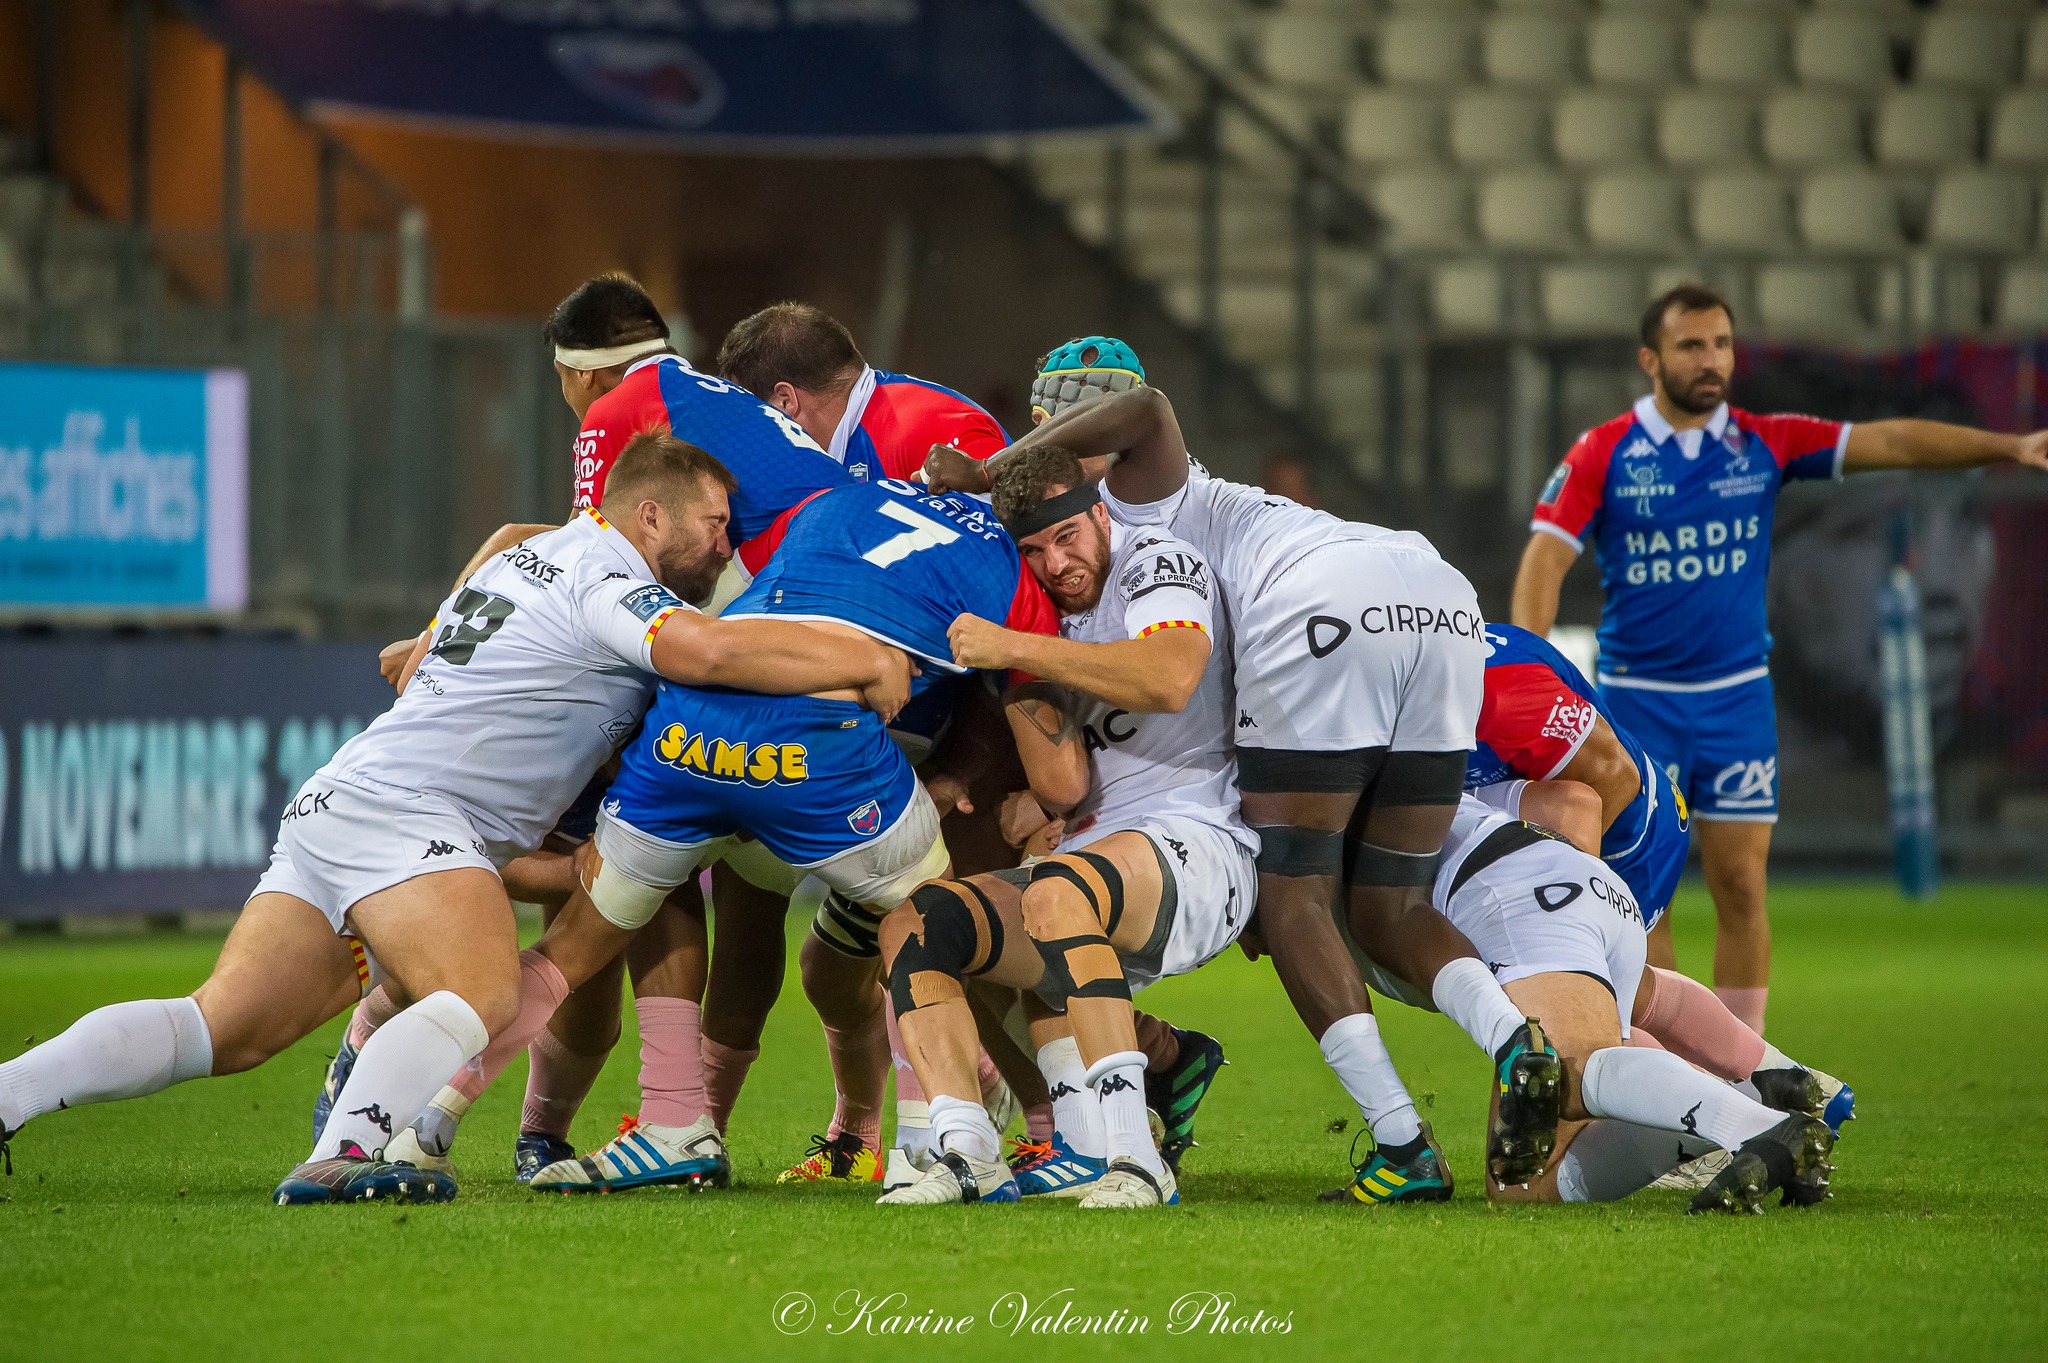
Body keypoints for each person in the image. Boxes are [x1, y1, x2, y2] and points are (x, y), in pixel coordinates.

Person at [0, 435, 909, 1204]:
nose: (726, 547)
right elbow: (704, 652)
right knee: (479, 992)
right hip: (412, 813)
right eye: (715, 526)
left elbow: (516, 534)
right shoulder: (608, 577)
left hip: (342, 799)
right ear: (651, 519)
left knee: (220, 1027)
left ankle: (10, 1092)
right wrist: (861, 658)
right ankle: (352, 1152)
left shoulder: (534, 553)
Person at [930, 352, 1565, 1198]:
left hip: (1318, 602)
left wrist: (984, 472)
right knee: (1385, 907)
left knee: (1288, 893)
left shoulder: (1138, 496)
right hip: (1435, 593)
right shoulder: (1107, 522)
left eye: (1059, 425)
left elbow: (1147, 410)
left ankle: (1404, 1143)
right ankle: (1516, 1037)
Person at [1511, 283, 2048, 1034]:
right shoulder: (1602, 453)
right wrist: (1538, 679)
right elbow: (1544, 563)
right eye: (1692, 345)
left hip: (1735, 703)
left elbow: (1889, 443)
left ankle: (1740, 1065)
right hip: (1638, 707)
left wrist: (2009, 446)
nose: (1711, 360)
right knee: (1643, 896)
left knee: (1741, 886)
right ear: (1650, 359)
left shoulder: (1764, 441)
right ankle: (1663, 1065)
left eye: (1722, 344)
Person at [876, 449, 1256, 1209]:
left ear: (1101, 514)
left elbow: (1169, 674)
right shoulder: (1037, 605)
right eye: (1034, 551)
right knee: (918, 923)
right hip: (1090, 856)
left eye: (1068, 537)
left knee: (1056, 894)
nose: (1056, 562)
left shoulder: (1157, 561)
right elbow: (1064, 776)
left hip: (1200, 842)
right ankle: (970, 1150)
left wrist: (1013, 645)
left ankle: (1135, 1157)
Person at [1357, 795, 1837, 1214]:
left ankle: (1762, 1123)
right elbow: (1561, 797)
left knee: (1554, 1102)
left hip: (1515, 902)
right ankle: (1763, 1085)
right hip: (1579, 881)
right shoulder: (1388, 758)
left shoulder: (1304, 814)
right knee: (1534, 1159)